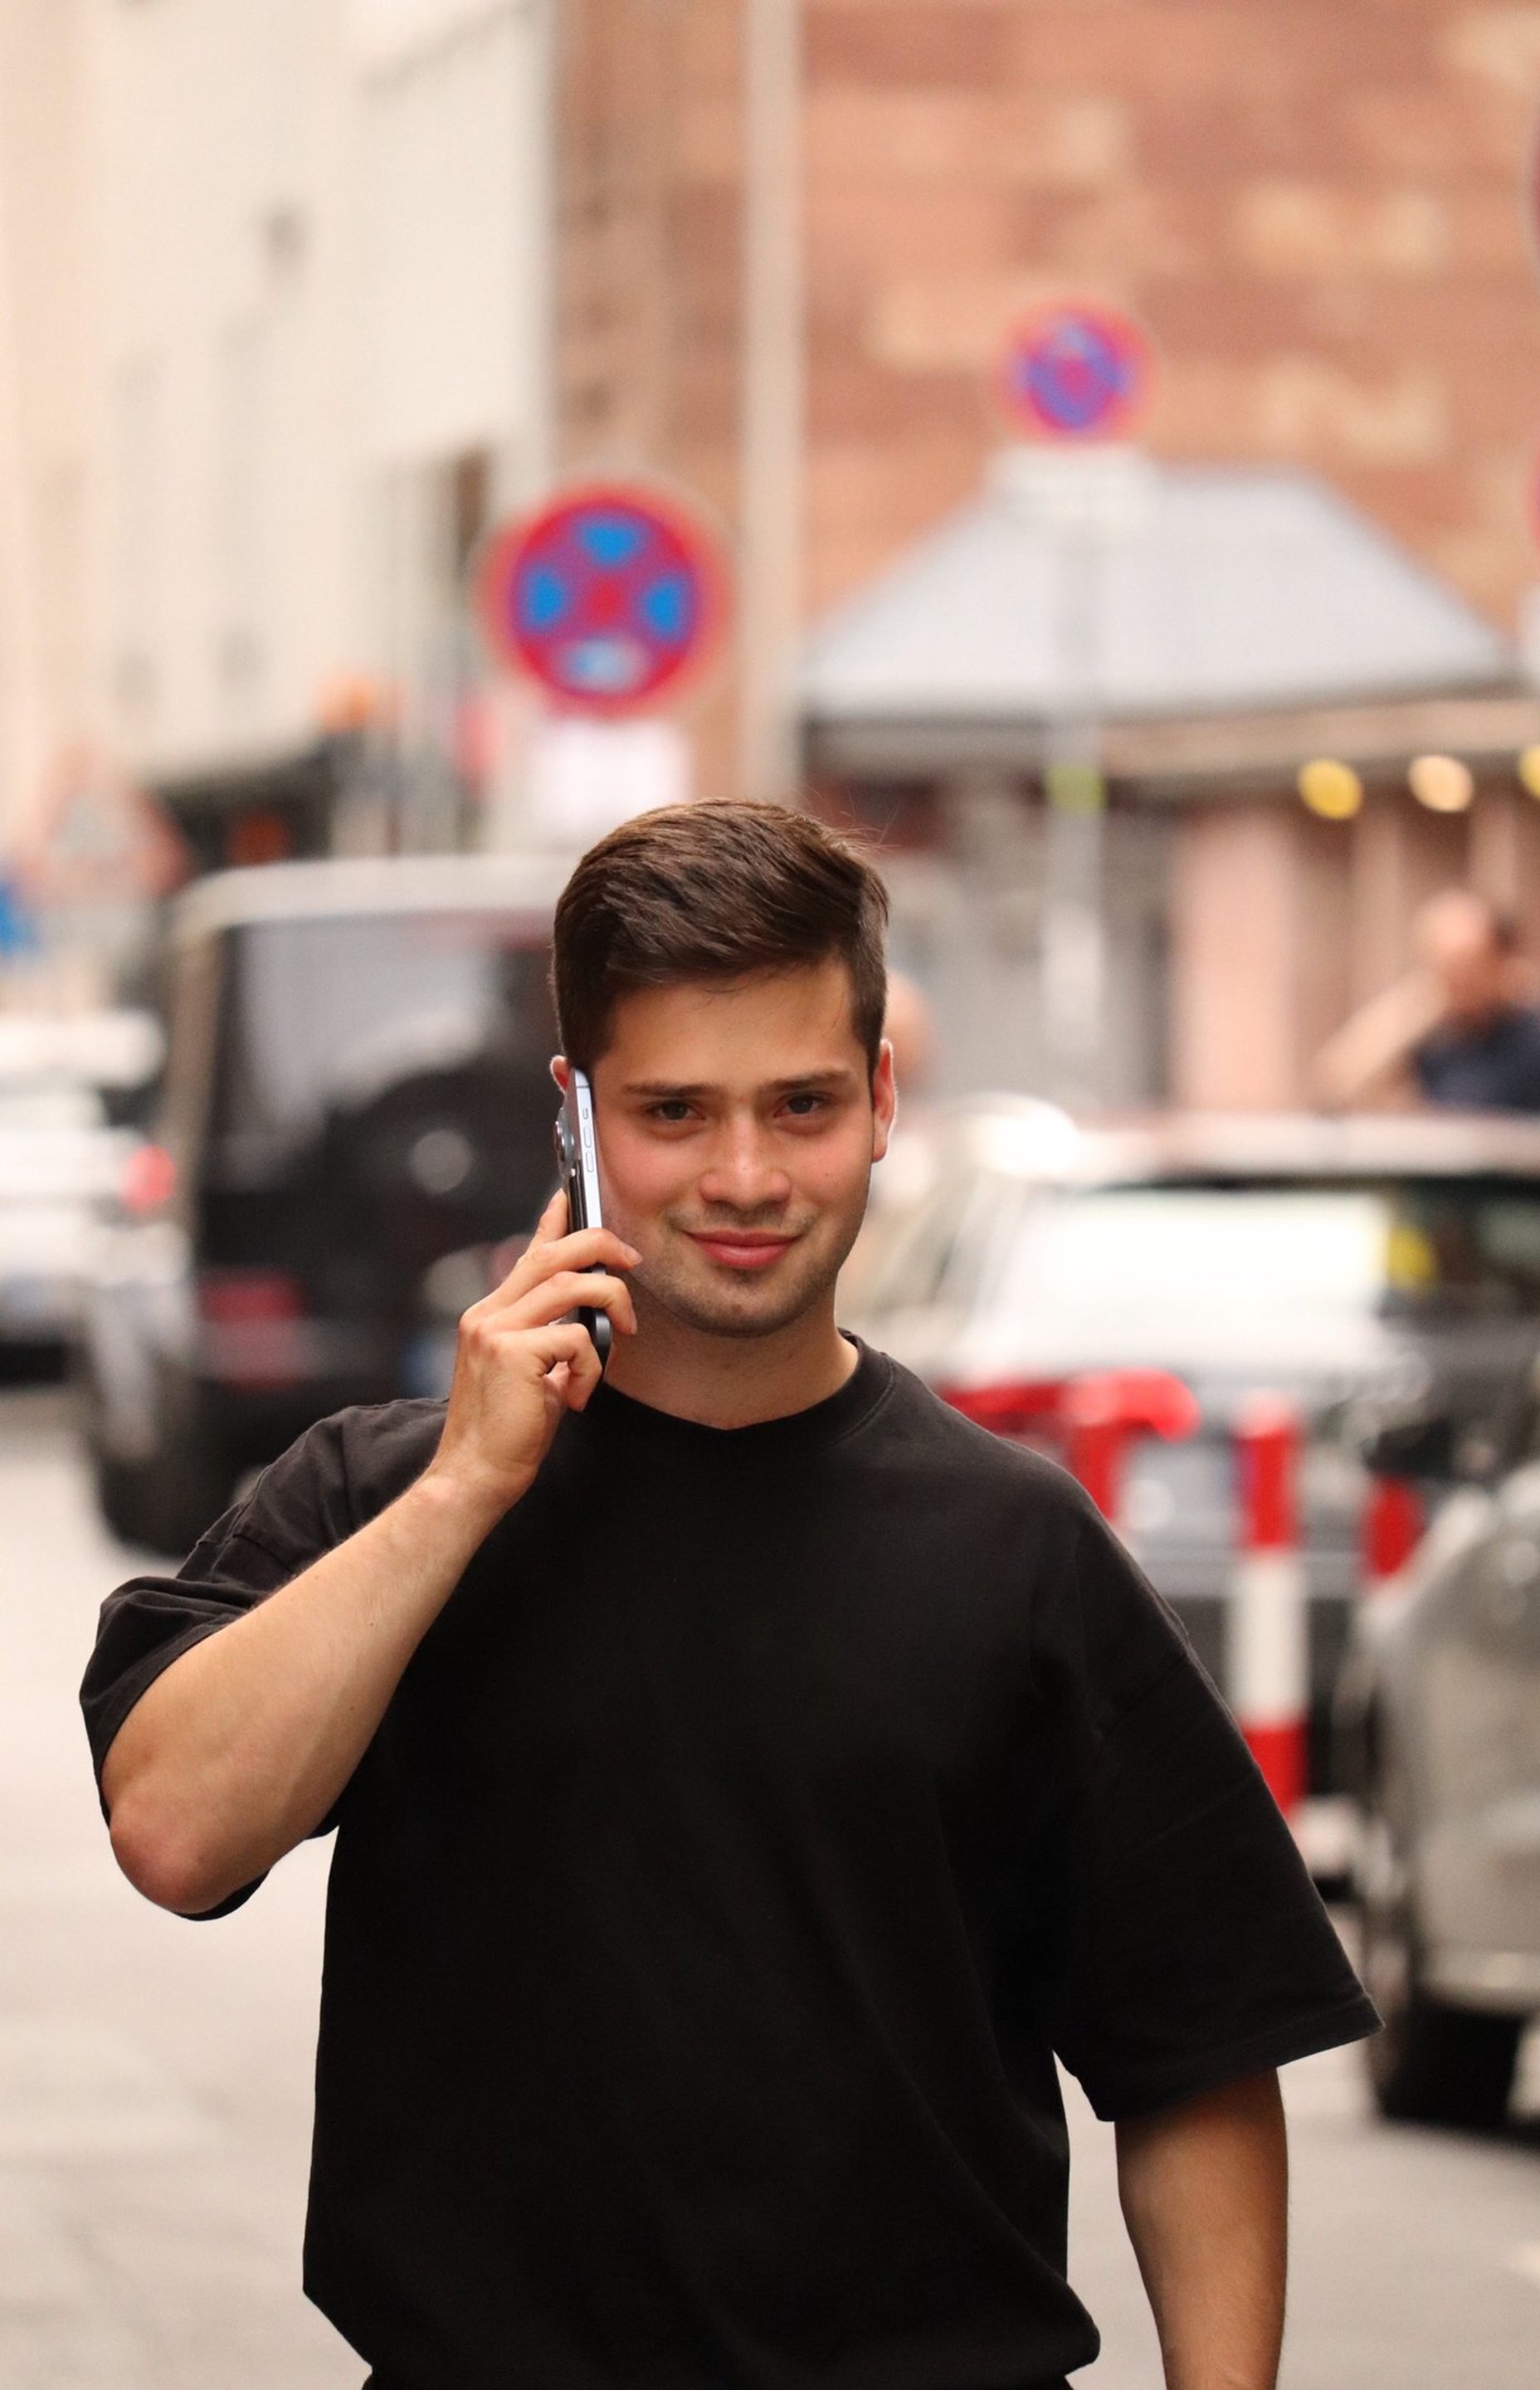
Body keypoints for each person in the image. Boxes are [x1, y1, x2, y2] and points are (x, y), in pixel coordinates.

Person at [83, 801, 1377, 2390]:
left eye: (804, 1104)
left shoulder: (1018, 1546)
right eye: (676, 1111)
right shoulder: (382, 1495)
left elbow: (1197, 2055)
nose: (748, 1175)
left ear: (886, 1099)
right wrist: (470, 1488)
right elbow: (174, 1834)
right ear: (575, 1115)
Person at [1312, 887, 1540, 1115]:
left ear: (1502, 959)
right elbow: (1337, 1085)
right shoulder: (1439, 1039)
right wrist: (1416, 1004)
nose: (1453, 978)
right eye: (1440, 963)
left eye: (1466, 963)